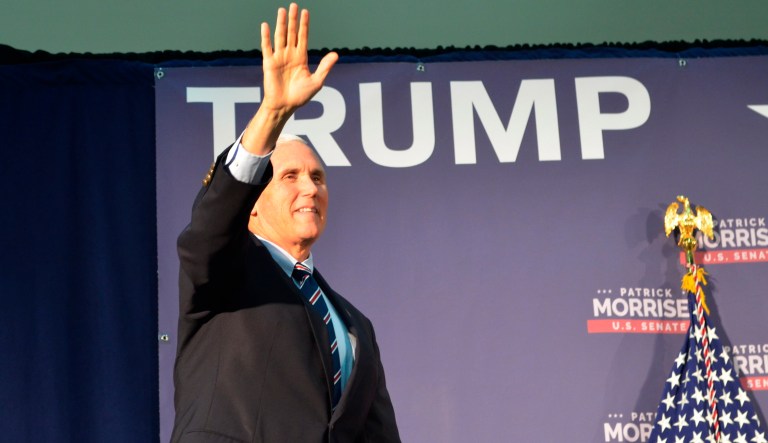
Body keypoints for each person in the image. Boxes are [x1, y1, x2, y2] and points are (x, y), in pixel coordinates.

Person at [170, 3, 400, 442]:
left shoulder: (356, 326)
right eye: (290, 177)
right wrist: (273, 113)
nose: (310, 189)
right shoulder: (226, 271)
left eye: (317, 178)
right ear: (252, 204)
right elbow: (212, 224)